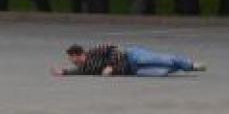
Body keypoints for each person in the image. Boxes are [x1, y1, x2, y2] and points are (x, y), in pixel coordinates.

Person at [56, 43, 206, 77]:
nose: (71, 61)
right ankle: (182, 66)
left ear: (78, 54)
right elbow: (76, 72)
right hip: (133, 70)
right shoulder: (84, 68)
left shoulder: (94, 52)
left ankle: (191, 65)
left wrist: (110, 67)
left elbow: (113, 49)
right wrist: (63, 72)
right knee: (161, 72)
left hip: (131, 56)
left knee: (158, 59)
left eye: (71, 58)